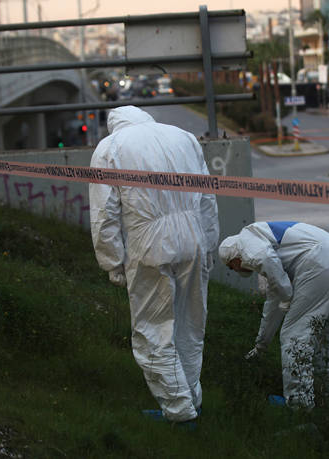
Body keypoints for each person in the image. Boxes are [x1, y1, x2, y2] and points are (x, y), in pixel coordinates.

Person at [89, 105, 219, 423]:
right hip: (194, 239)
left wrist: (112, 261)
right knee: (190, 327)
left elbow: (105, 213)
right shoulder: (184, 138)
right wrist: (210, 243)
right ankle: (192, 400)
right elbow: (207, 198)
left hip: (149, 245)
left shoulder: (110, 148)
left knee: (153, 331)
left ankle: (179, 413)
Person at [219, 221, 329, 409]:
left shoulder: (246, 240)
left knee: (294, 337)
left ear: (233, 257)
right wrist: (261, 346)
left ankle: (300, 405)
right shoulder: (276, 257)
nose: (234, 270)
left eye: (230, 266)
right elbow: (272, 307)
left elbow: (266, 260)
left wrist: (286, 296)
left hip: (320, 261)